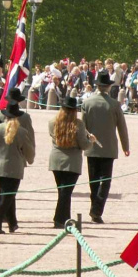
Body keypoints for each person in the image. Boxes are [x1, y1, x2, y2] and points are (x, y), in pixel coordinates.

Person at [81, 70, 130, 224]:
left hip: (92, 147)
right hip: (109, 148)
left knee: (93, 181)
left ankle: (94, 206)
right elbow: (122, 127)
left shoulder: (87, 103)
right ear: (108, 87)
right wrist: (125, 146)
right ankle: (97, 209)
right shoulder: (115, 105)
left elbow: (83, 127)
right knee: (105, 181)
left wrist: (83, 143)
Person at [0, 99, 35, 234]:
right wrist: (30, 159)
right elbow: (28, 151)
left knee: (7, 195)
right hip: (14, 167)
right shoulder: (22, 131)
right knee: (6, 197)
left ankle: (12, 223)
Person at [48, 96, 96, 228]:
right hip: (72, 160)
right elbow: (83, 145)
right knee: (66, 192)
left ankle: (64, 218)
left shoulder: (52, 122)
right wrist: (91, 140)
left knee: (63, 191)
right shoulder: (78, 124)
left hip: (57, 158)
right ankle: (59, 219)